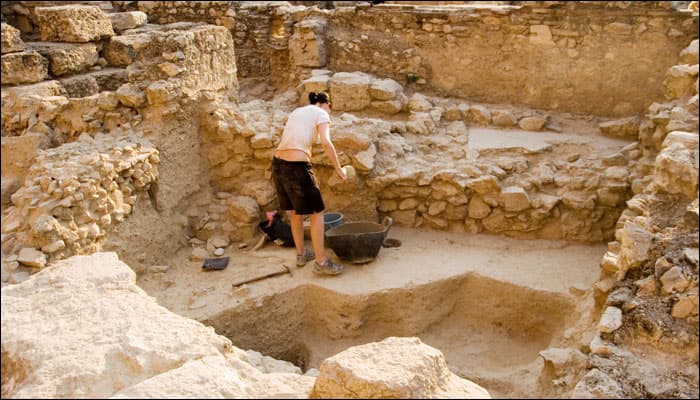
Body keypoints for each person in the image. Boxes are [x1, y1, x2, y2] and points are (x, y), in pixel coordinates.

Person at [271, 91, 347, 275]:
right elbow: (327, 143)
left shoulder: (297, 111)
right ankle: (321, 263)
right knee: (317, 213)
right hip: (297, 166)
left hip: (278, 165)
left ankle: (301, 254)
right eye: (330, 108)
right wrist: (339, 169)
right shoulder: (321, 113)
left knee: (296, 212)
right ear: (325, 104)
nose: (329, 112)